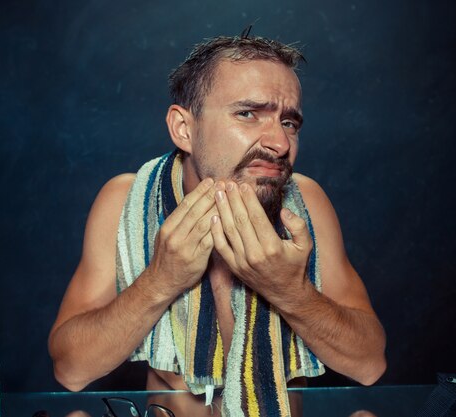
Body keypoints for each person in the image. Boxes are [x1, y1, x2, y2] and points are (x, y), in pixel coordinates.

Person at [49, 34, 386, 417]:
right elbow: (72, 370)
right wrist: (161, 279)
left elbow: (369, 364)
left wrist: (289, 290)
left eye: (289, 122)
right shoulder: (126, 200)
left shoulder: (305, 202)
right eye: (248, 113)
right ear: (183, 129)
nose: (279, 142)